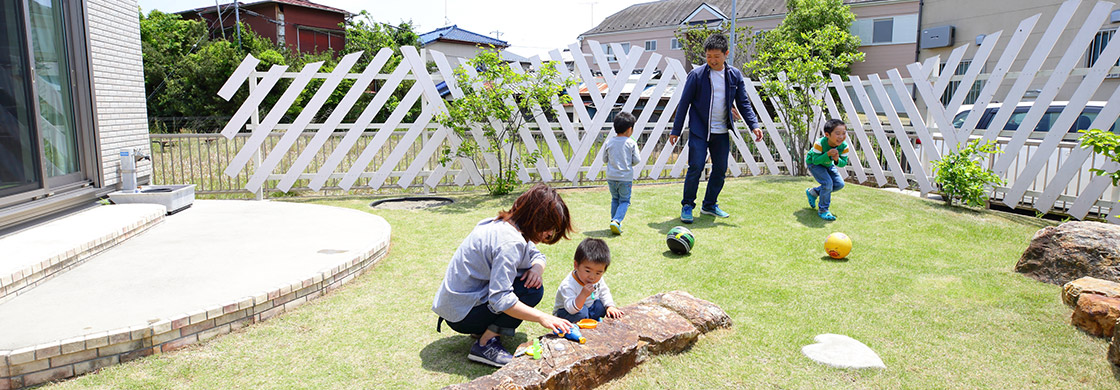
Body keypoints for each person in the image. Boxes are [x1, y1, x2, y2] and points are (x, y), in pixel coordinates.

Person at [431, 183, 575, 368]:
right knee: (531, 291)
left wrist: (536, 269)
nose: (549, 233)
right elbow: (501, 298)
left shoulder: (505, 224)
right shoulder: (509, 242)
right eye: (548, 226)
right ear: (534, 216)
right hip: (462, 316)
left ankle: (482, 330)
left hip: (457, 308)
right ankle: (485, 344)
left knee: (529, 281)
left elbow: (537, 255)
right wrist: (543, 317)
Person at [669, 33, 764, 224]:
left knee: (720, 169)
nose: (712, 60)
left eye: (716, 56)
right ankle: (687, 205)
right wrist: (676, 130)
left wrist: (754, 125)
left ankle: (709, 205)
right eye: (709, 56)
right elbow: (684, 103)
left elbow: (743, 103)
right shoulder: (696, 75)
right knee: (695, 166)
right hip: (699, 130)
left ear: (726, 54)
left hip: (721, 131)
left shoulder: (734, 75)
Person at [553, 238, 624, 323]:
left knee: (600, 306)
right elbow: (571, 309)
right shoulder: (568, 284)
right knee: (582, 313)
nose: (592, 277)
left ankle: (591, 320)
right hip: (566, 312)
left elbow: (604, 291)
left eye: (598, 273)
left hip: (588, 308)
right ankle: (576, 326)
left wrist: (610, 306)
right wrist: (583, 295)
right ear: (576, 265)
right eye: (587, 271)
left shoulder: (597, 279)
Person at [602, 111, 641, 235]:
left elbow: (604, 159)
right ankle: (616, 221)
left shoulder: (609, 142)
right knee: (624, 201)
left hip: (611, 177)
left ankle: (614, 221)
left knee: (615, 199)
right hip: (625, 178)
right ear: (630, 129)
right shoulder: (631, 143)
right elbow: (637, 160)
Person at [806, 119, 850, 221]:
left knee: (839, 184)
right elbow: (815, 160)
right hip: (814, 163)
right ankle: (823, 210)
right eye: (837, 133)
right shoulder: (819, 144)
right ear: (827, 134)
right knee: (827, 183)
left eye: (844, 133)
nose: (841, 137)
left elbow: (843, 162)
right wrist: (828, 154)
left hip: (828, 164)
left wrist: (836, 159)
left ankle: (814, 192)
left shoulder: (844, 147)